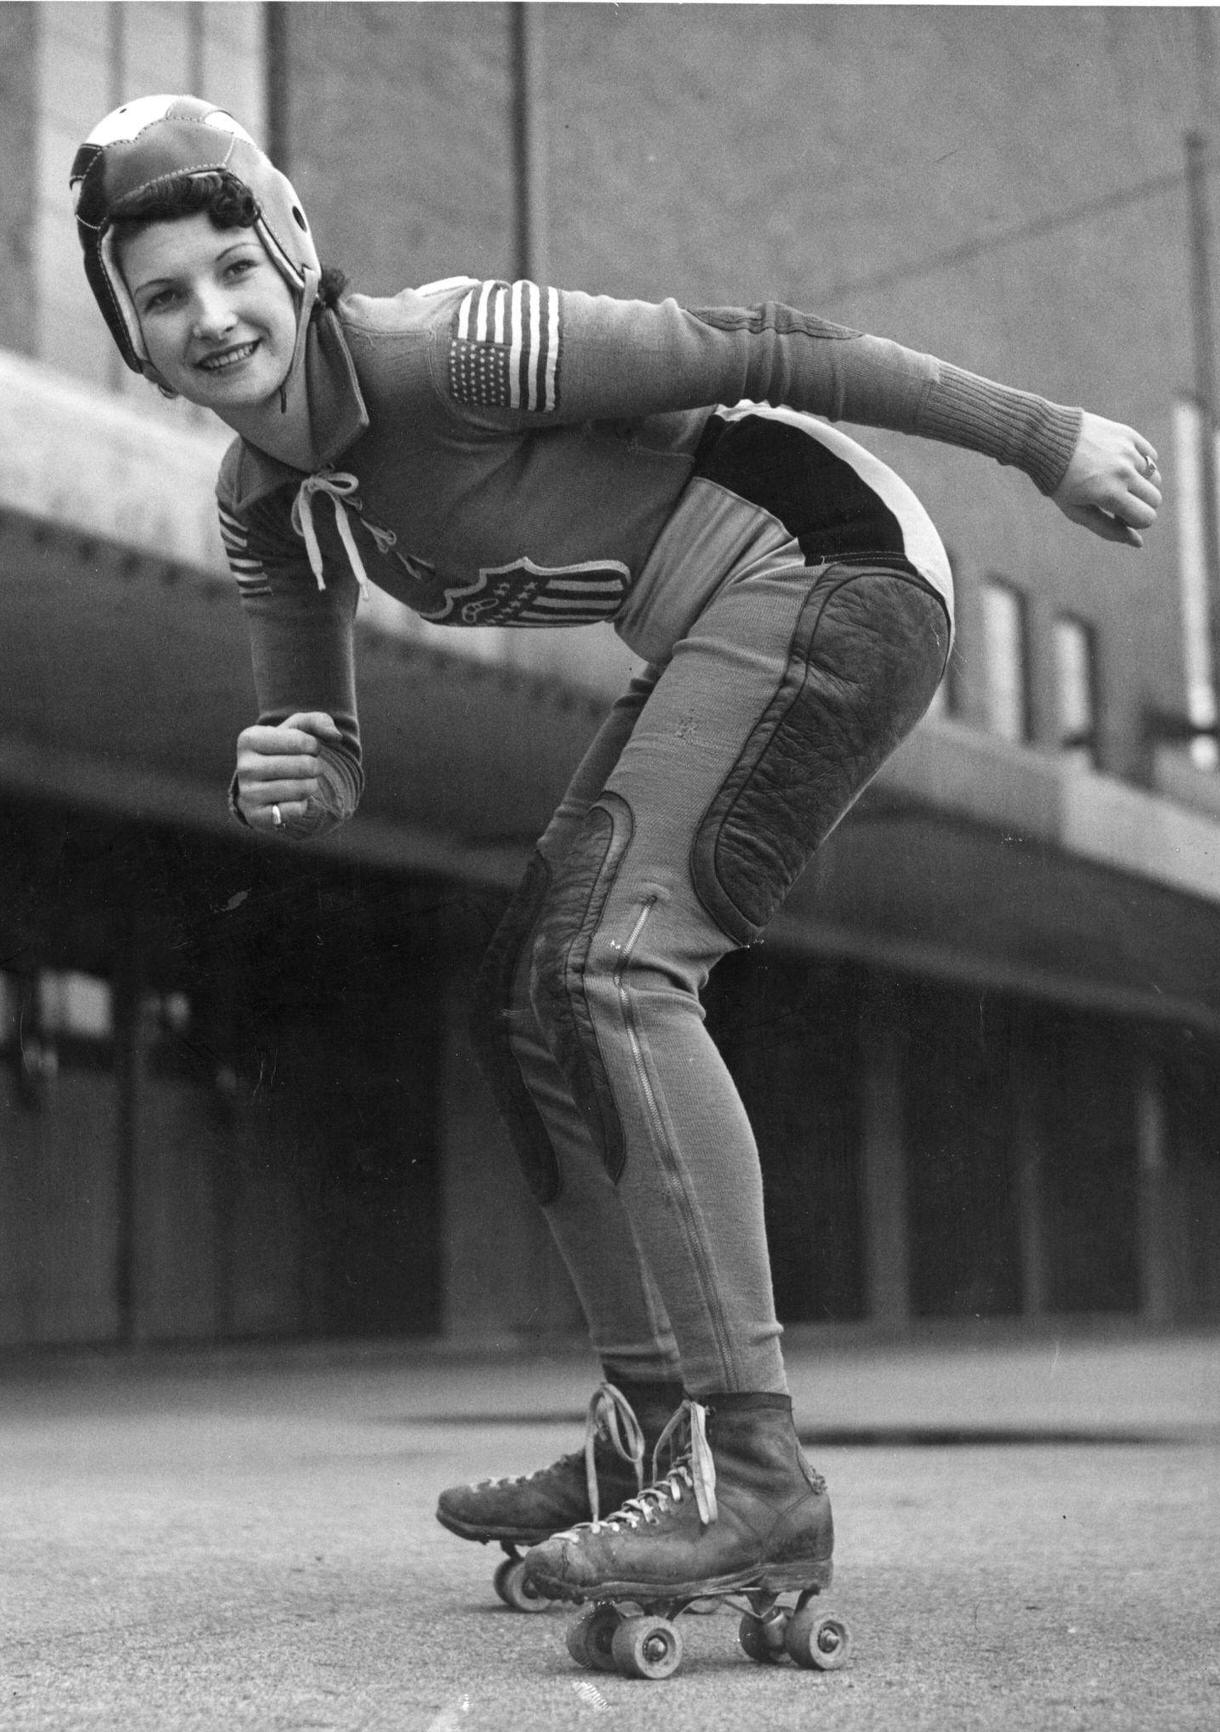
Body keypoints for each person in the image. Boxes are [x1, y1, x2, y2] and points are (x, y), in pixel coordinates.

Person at [71, 97, 1161, 1623]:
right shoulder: (266, 507)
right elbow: (319, 741)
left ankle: (758, 1484)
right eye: (161, 296)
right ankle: (654, 1437)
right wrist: (296, 776)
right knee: (528, 1001)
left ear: (295, 250)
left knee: (610, 963)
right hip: (726, 623)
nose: (211, 316)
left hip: (840, 577)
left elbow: (771, 343)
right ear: (126, 331)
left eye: (232, 268)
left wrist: (1044, 441)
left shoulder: (458, 349)